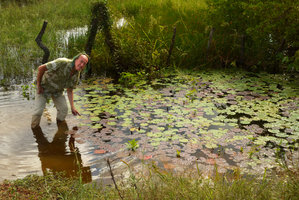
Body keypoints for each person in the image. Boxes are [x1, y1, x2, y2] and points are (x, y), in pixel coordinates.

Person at [31, 53, 89, 129]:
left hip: (57, 91)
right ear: (76, 59)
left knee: (64, 110)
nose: (81, 65)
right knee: (38, 112)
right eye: (81, 61)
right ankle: (34, 130)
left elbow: (70, 90)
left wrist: (72, 107)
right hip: (44, 87)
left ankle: (60, 128)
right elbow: (41, 68)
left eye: (84, 64)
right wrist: (39, 85)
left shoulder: (76, 75)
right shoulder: (62, 62)